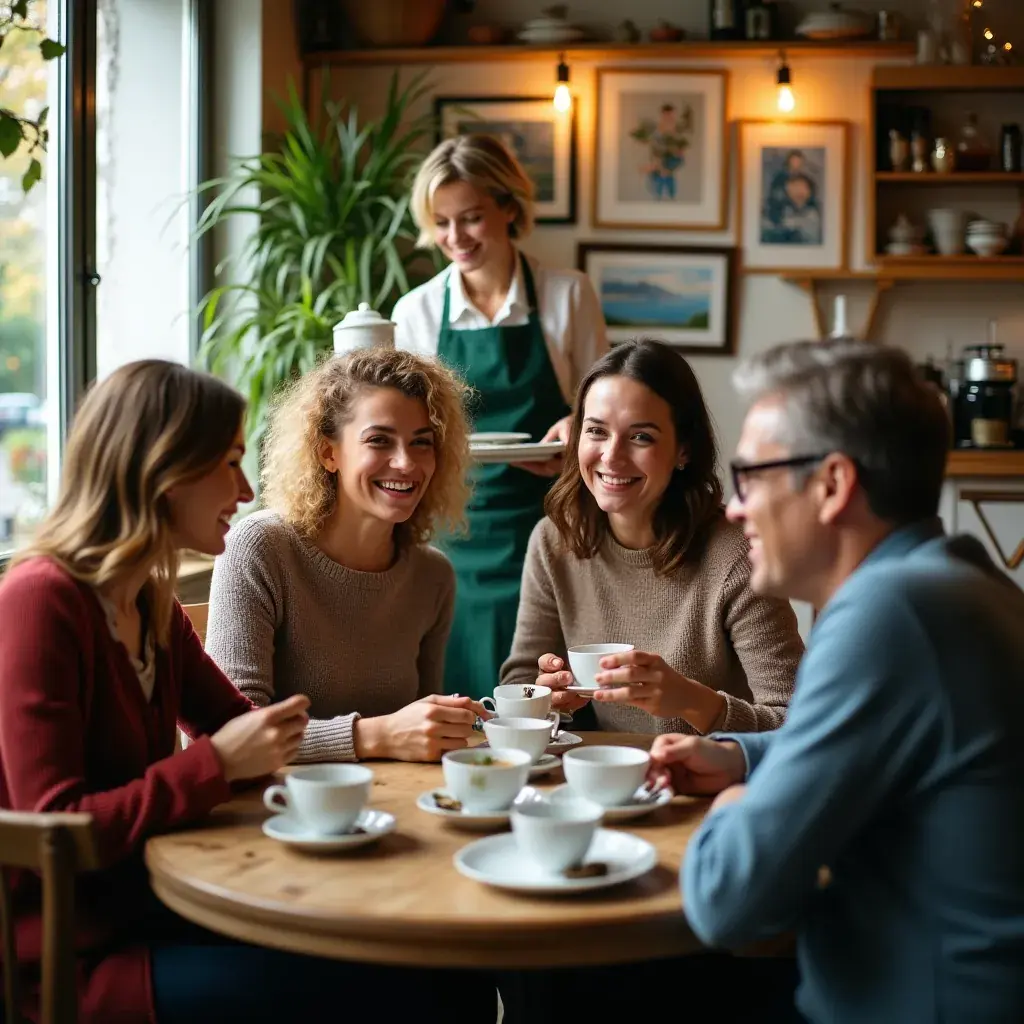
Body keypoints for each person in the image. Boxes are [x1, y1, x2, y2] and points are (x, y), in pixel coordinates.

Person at [0, 360, 495, 1023]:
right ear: (162, 471)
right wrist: (218, 763)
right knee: (397, 989)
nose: (242, 487)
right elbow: (55, 829)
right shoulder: (40, 600)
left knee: (447, 975)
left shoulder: (151, 604)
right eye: (226, 464)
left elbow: (249, 728)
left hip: (152, 905)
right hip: (70, 958)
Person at [652, 339, 1024, 1023]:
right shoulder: (960, 579)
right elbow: (887, 750)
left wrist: (735, 802)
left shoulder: (889, 614)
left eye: (750, 478)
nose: (734, 509)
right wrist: (740, 754)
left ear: (832, 484)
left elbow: (729, 900)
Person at [392, 132, 609, 699]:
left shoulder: (568, 295)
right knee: (458, 689)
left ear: (509, 208)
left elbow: (601, 411)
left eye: (471, 218)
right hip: (452, 530)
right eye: (441, 222)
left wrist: (576, 429)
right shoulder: (414, 312)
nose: (454, 237)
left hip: (551, 524)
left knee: (543, 689)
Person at [501, 339, 803, 737]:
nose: (611, 456)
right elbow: (519, 680)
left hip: (714, 781)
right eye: (596, 431)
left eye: (641, 437)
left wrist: (691, 700)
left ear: (684, 450)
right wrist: (545, 696)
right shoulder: (554, 541)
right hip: (603, 777)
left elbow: (800, 722)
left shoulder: (738, 555)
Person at [206, 348, 490, 763]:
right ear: (328, 453)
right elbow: (226, 736)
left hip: (387, 806)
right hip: (275, 811)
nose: (405, 462)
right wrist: (373, 736)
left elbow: (419, 732)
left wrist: (454, 723)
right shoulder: (259, 548)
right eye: (379, 440)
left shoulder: (433, 576)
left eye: (421, 443)